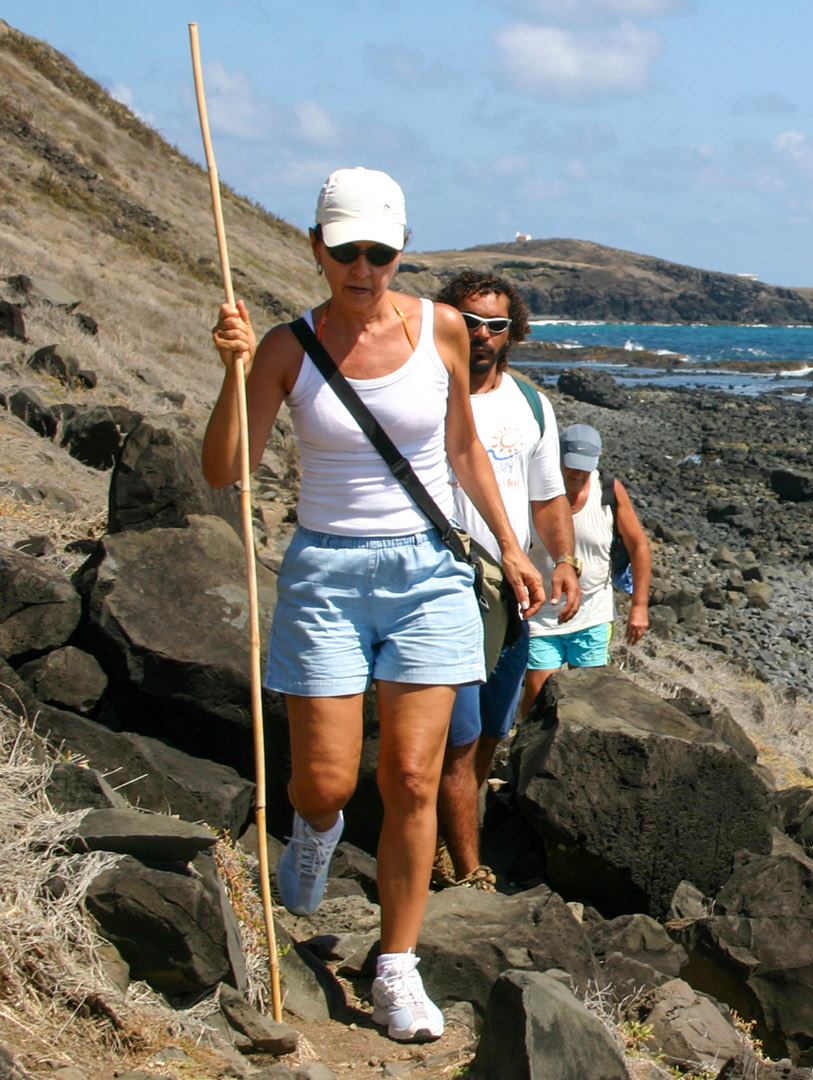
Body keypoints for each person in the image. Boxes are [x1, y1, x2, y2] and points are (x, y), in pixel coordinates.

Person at [202, 167, 541, 1043]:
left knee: (414, 776)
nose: (362, 267)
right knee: (322, 780)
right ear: (315, 248)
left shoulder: (443, 331)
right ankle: (316, 831)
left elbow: (463, 445)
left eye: (379, 252)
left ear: (401, 250)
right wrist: (234, 373)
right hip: (325, 575)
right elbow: (223, 469)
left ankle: (397, 966)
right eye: (345, 250)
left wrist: (507, 544)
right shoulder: (287, 345)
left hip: (430, 573)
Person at [433, 272, 580, 892]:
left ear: (512, 333)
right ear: (446, 321)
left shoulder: (530, 405)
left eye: (496, 325)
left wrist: (564, 561)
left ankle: (457, 838)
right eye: (470, 321)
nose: (482, 336)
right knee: (460, 740)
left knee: (493, 731)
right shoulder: (421, 393)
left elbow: (548, 498)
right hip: (443, 586)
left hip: (514, 594)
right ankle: (467, 869)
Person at [521, 424, 653, 709]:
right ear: (557, 455)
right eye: (571, 467)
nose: (578, 475)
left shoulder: (608, 490)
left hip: (593, 611)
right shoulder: (531, 487)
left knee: (590, 703)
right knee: (538, 700)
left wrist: (639, 606)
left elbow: (639, 546)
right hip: (541, 615)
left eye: (585, 467)